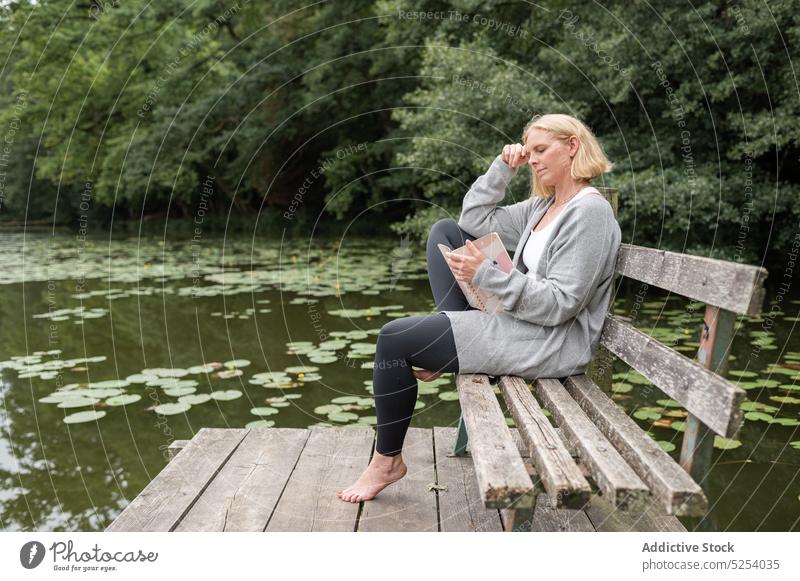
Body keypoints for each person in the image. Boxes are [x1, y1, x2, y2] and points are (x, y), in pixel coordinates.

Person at [337, 113, 621, 503]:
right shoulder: (544, 206)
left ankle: (387, 462)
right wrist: (502, 167)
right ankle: (452, 338)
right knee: (445, 231)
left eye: (542, 149)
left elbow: (562, 304)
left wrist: (486, 275)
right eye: (530, 151)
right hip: (522, 323)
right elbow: (472, 220)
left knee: (394, 339)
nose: (534, 159)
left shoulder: (589, 212)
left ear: (572, 146)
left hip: (550, 341)